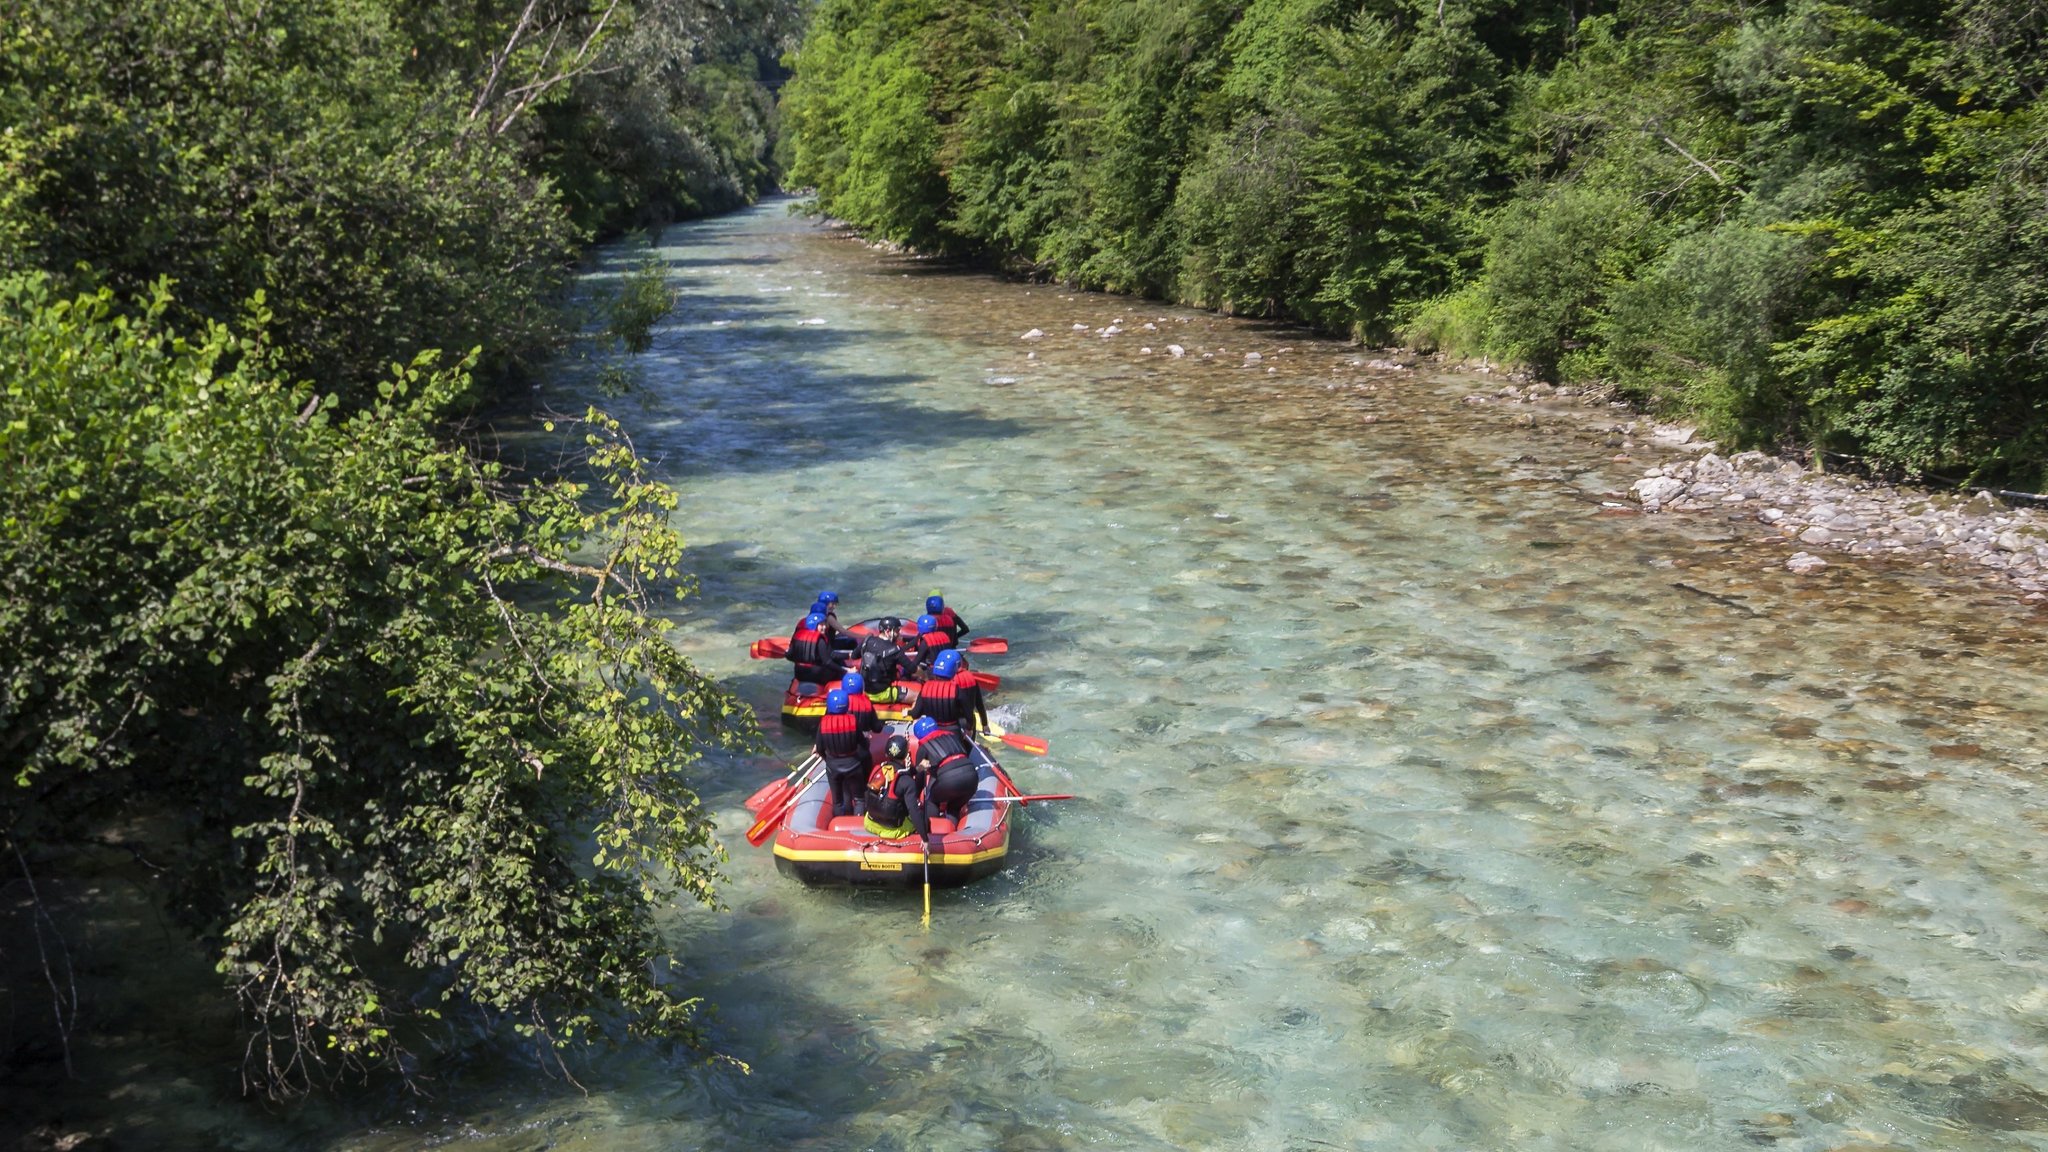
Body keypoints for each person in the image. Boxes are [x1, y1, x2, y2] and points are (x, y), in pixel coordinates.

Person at [911, 716, 979, 857]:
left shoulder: (924, 747)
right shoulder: (952, 736)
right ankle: (952, 838)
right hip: (972, 777)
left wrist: (916, 796)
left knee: (931, 800)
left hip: (950, 779)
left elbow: (919, 776)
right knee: (954, 806)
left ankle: (933, 837)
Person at [814, 689, 871, 818]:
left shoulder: (823, 723)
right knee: (859, 799)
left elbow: (820, 748)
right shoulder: (853, 721)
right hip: (854, 764)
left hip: (833, 766)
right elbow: (863, 745)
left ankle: (840, 822)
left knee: (837, 801)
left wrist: (828, 759)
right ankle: (858, 822)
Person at [861, 734, 927, 841]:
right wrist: (925, 840)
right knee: (922, 815)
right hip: (892, 830)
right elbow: (914, 811)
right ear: (906, 754)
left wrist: (918, 769)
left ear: (887, 754)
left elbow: (896, 773)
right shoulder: (907, 782)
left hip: (870, 823)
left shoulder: (877, 770)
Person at [908, 649, 987, 736]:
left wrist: (908, 712)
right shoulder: (958, 688)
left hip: (932, 730)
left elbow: (916, 714)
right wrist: (981, 725)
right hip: (956, 731)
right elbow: (973, 709)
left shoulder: (926, 687)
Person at [853, 617, 917, 701]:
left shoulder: (867, 641)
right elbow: (912, 669)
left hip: (864, 690)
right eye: (897, 631)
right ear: (888, 631)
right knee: (918, 697)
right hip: (882, 693)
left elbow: (854, 656)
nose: (899, 634)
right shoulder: (895, 650)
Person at [785, 612, 841, 685]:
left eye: (824, 624)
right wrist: (845, 670)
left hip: (799, 675)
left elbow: (789, 656)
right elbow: (827, 662)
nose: (824, 627)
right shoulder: (820, 640)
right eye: (821, 624)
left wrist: (786, 653)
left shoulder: (798, 636)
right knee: (836, 668)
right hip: (816, 677)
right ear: (815, 625)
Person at [839, 671, 884, 735]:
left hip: (842, 739)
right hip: (861, 741)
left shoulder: (836, 703)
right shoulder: (867, 704)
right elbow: (877, 728)